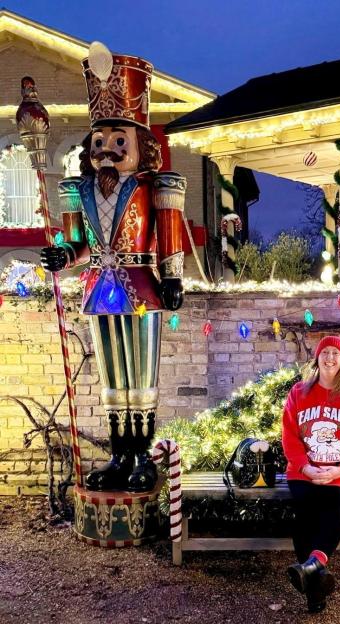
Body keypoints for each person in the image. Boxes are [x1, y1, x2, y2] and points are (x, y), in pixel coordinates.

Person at [41, 42, 186, 492]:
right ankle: (119, 455)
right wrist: (62, 256)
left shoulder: (155, 187)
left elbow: (169, 234)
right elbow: (77, 244)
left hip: (141, 284)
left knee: (140, 373)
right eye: (100, 142)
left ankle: (141, 455)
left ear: (141, 145)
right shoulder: (78, 191)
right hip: (99, 288)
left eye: (118, 141)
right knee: (111, 376)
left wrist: (174, 277)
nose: (107, 150)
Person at [282, 335, 340, 613]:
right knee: (305, 513)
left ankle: (311, 573)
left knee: (333, 505)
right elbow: (289, 436)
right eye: (325, 352)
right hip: (304, 471)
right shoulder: (299, 393)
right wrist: (305, 467)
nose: (330, 358)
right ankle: (316, 580)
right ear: (317, 358)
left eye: (336, 353)